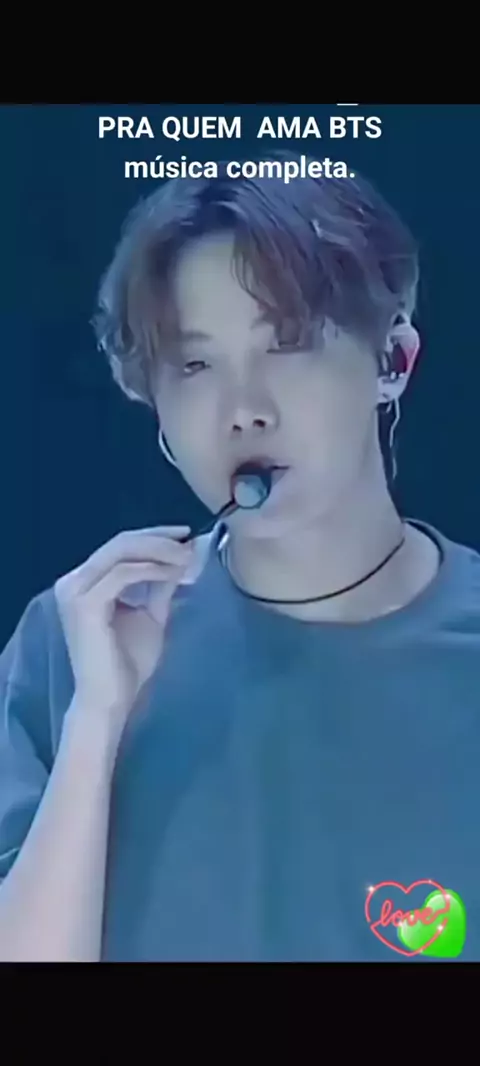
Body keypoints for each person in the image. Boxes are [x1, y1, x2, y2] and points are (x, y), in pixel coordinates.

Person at [0, 152, 478, 962]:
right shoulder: (75, 642)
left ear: (392, 361)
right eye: (194, 365)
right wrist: (96, 722)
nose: (244, 410)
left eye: (287, 345)